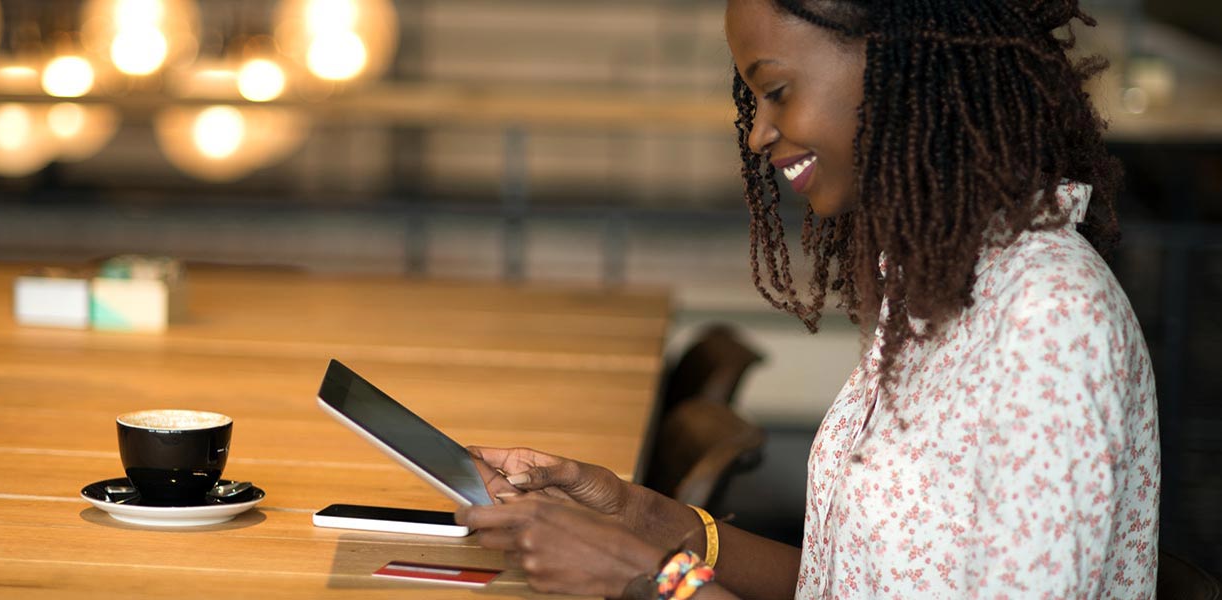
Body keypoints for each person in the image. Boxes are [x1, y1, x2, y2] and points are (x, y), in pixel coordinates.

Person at [455, 0, 1160, 598]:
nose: (759, 131)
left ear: (901, 67)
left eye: (777, 91)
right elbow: (843, 580)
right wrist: (634, 514)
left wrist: (655, 578)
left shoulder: (1051, 317)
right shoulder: (939, 286)